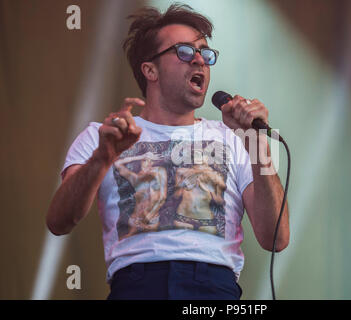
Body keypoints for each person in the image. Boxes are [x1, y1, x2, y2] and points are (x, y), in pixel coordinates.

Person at [46, 4, 290, 300]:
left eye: (205, 53)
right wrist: (102, 158)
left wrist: (257, 143)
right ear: (150, 70)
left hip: (214, 289)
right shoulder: (105, 135)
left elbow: (276, 238)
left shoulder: (234, 139)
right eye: (185, 51)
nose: (200, 60)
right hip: (136, 285)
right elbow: (59, 221)